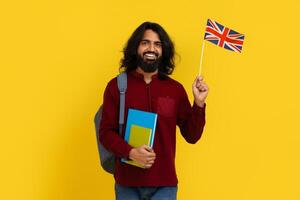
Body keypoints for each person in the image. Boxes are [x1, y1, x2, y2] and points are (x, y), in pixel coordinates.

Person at [99, 21, 209, 200]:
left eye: (157, 44)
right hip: (127, 185)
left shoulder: (175, 90)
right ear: (136, 48)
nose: (151, 48)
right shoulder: (116, 86)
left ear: (163, 50)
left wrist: (199, 104)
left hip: (164, 186)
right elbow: (105, 132)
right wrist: (131, 152)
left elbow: (192, 135)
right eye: (145, 43)